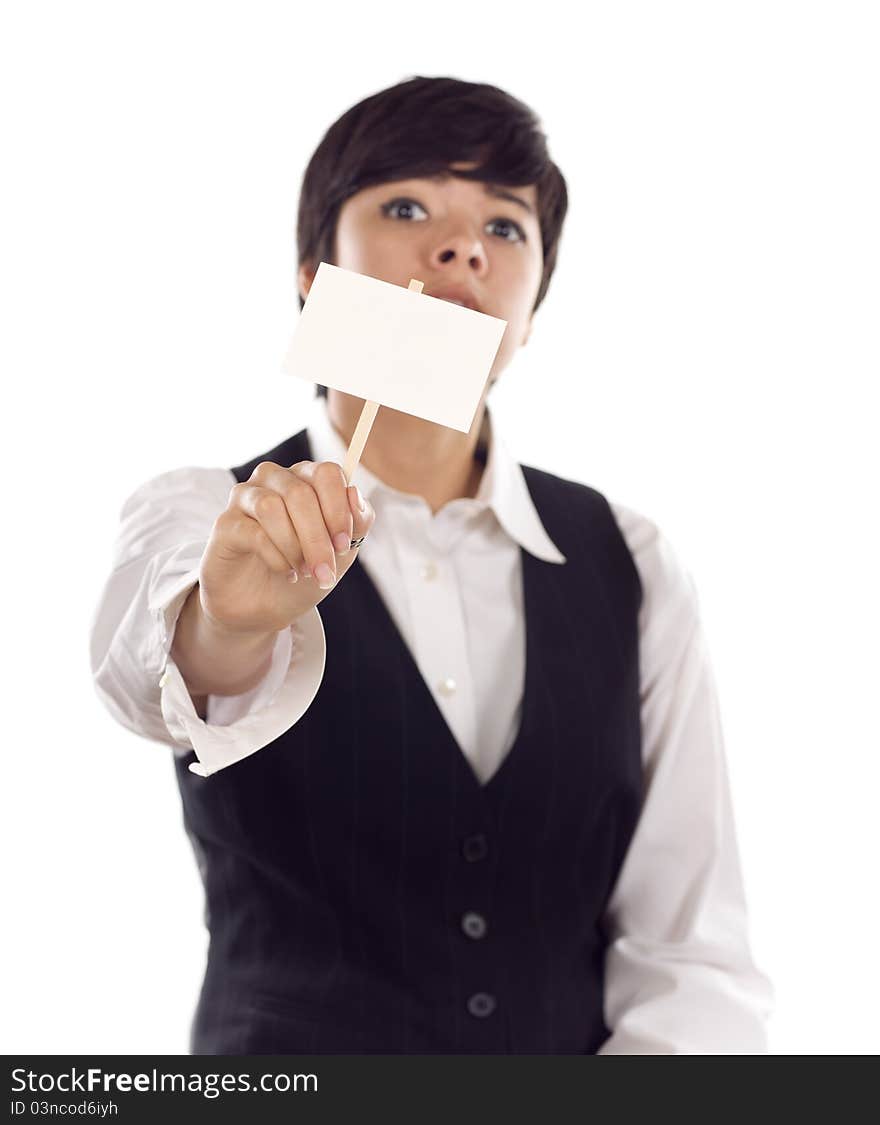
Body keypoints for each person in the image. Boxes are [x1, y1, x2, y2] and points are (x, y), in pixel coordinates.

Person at [90, 75, 773, 1054]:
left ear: (531, 311)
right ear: (313, 276)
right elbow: (143, 680)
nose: (462, 248)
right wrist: (229, 622)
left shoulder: (633, 561)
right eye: (406, 207)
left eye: (506, 227)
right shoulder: (203, 512)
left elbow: (692, 948)